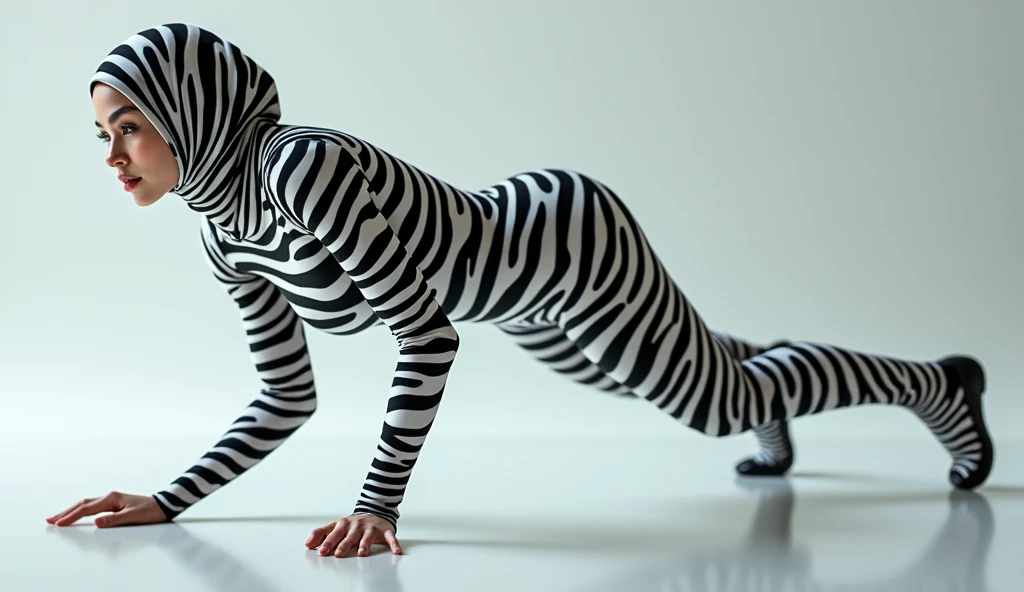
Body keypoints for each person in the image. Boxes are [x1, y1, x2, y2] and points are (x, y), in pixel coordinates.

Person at [46, 23, 994, 559]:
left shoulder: (302, 172)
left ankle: (936, 387)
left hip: (563, 246)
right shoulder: (226, 235)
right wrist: (171, 500)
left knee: (709, 405)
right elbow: (288, 394)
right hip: (509, 294)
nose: (115, 155)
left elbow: (426, 337)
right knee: (656, 377)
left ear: (191, 109)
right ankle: (755, 388)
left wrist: (379, 505)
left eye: (130, 125)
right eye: (104, 135)